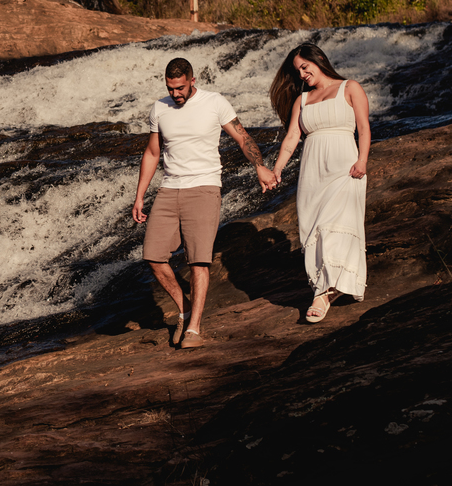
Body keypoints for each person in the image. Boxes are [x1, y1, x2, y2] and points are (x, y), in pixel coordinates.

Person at [133, 58, 276, 348]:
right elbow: (151, 153)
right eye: (171, 89)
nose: (176, 94)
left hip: (204, 188)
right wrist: (139, 196)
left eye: (181, 88)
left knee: (198, 260)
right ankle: (184, 309)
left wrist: (259, 166)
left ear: (192, 79)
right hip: (170, 188)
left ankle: (194, 329)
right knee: (153, 255)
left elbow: (242, 137)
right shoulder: (160, 108)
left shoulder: (215, 103)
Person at [269, 43, 370, 323]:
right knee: (314, 228)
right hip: (313, 172)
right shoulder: (302, 100)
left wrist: (362, 160)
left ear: (319, 60)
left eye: (305, 67)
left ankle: (322, 293)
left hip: (344, 167)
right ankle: (327, 283)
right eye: (297, 71)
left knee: (338, 225)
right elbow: (291, 138)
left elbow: (363, 128)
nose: (302, 74)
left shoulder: (350, 88)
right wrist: (277, 169)